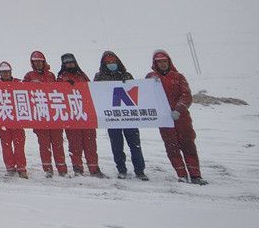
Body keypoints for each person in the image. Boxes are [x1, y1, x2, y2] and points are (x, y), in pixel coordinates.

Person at [147, 50, 207, 185]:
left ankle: (195, 175)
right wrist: (150, 83)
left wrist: (179, 109)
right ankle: (181, 174)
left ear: (169, 62)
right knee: (171, 147)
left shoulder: (179, 77)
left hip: (182, 118)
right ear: (155, 63)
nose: (163, 64)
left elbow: (186, 95)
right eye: (159, 62)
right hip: (165, 120)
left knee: (188, 145)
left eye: (165, 61)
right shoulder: (151, 77)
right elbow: (145, 94)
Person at [94, 51, 148, 180]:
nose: (111, 64)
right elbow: (95, 94)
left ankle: (140, 170)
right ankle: (121, 169)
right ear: (103, 64)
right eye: (108, 62)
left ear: (118, 62)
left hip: (129, 117)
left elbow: (138, 91)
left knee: (135, 145)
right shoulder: (99, 77)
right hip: (112, 118)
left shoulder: (126, 75)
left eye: (113, 62)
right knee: (117, 146)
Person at [57, 53, 106, 178]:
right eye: (67, 63)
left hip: (86, 115)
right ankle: (78, 169)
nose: (70, 65)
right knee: (75, 146)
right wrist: (65, 86)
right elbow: (57, 94)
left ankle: (94, 168)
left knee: (91, 145)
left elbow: (92, 91)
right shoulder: (61, 77)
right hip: (72, 116)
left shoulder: (82, 75)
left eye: (71, 62)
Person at [23, 50, 68, 178]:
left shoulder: (51, 75)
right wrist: (31, 86)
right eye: (35, 62)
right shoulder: (29, 76)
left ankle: (62, 169)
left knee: (58, 144)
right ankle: (48, 169)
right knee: (44, 145)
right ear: (32, 63)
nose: (38, 64)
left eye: (40, 61)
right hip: (40, 115)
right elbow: (22, 91)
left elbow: (59, 91)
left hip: (54, 115)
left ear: (44, 62)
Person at [0, 62, 28, 178]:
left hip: (17, 121)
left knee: (19, 146)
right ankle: (10, 167)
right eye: (3, 72)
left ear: (11, 72)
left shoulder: (19, 83)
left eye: (7, 72)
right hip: (3, 121)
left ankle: (21, 168)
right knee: (6, 146)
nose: (6, 74)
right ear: (0, 73)